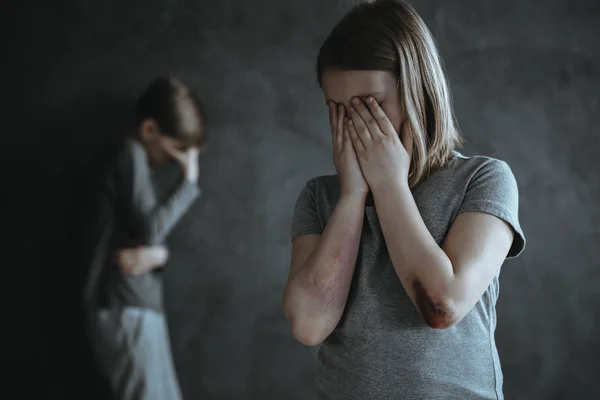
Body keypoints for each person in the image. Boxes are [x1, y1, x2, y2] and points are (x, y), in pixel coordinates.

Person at [282, 1, 526, 399]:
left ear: (418, 91)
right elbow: (308, 325)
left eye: (372, 106)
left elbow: (443, 304)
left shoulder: (483, 179)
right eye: (338, 110)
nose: (357, 126)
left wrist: (390, 185)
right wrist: (353, 196)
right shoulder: (319, 197)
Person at [82, 76, 206, 400]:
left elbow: (143, 238)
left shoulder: (136, 163)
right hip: (126, 306)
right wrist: (189, 181)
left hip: (136, 305)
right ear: (149, 130)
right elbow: (150, 229)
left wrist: (159, 256)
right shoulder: (131, 153)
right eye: (174, 150)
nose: (173, 159)